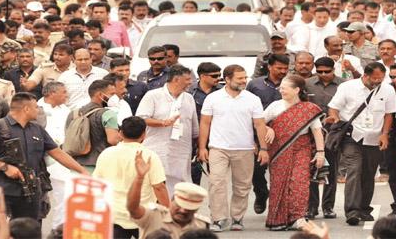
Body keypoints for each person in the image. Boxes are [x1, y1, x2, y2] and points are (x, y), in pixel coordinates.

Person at [0, 93, 88, 221]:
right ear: (26, 109)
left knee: (30, 230)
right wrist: (4, 167)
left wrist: (81, 171)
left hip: (30, 191)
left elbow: (58, 153)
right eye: (36, 107)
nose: (39, 110)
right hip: (2, 191)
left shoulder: (37, 129)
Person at [197, 64, 269, 232]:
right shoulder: (213, 98)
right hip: (218, 148)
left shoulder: (252, 99)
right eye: (240, 78)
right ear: (227, 79)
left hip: (244, 148)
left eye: (245, 78)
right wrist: (202, 148)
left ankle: (237, 218)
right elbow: (205, 123)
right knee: (216, 182)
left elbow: (259, 124)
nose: (244, 81)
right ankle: (219, 218)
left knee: (242, 185)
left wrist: (264, 149)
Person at [328, 62, 395, 225]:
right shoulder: (347, 87)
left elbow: (389, 114)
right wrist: (335, 119)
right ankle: (352, 211)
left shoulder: (388, 89)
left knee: (368, 173)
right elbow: (333, 107)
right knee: (354, 170)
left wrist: (385, 135)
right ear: (365, 75)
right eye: (374, 79)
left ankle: (364, 209)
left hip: (374, 138)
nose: (378, 82)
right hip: (352, 136)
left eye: (381, 78)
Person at [263, 74, 325, 230]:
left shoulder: (308, 108)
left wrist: (320, 152)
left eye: (285, 87)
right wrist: (268, 128)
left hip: (302, 148)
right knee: (279, 183)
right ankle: (278, 219)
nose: (281, 90)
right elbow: (258, 123)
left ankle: (297, 217)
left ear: (297, 90)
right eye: (281, 87)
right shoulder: (275, 106)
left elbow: (317, 131)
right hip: (279, 149)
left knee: (299, 182)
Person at [94, 117, 170, 238]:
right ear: (144, 135)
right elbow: (159, 187)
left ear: (120, 133)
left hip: (114, 215)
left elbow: (97, 185)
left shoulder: (106, 153)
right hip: (142, 216)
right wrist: (168, 212)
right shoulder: (150, 156)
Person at [136, 64, 198, 195]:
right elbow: (141, 119)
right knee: (157, 181)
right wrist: (163, 123)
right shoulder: (153, 95)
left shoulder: (189, 98)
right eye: (187, 79)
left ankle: (177, 213)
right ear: (176, 79)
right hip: (157, 147)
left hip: (181, 149)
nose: (191, 82)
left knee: (181, 184)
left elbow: (194, 126)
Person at [246, 53, 289, 213]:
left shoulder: (291, 83)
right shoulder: (255, 84)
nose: (283, 71)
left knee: (282, 171)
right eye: (279, 68)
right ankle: (261, 193)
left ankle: (280, 205)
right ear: (269, 67)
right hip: (259, 132)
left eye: (285, 68)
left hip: (285, 133)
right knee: (256, 169)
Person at [305, 57, 342, 219]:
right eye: (319, 72)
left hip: (334, 133)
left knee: (331, 170)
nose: (323, 74)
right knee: (312, 169)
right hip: (311, 133)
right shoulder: (307, 84)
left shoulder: (343, 85)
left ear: (333, 70)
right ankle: (311, 207)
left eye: (326, 72)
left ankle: (328, 207)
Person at [128, 173, 209, 239]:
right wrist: (139, 178)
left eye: (188, 209)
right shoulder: (154, 215)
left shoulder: (201, 225)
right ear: (172, 201)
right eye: (179, 206)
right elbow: (133, 209)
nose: (182, 210)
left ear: (196, 209)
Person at [36, 81, 71, 236]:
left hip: (60, 159)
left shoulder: (67, 110)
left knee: (62, 198)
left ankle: (57, 232)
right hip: (38, 160)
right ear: (51, 94)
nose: (66, 95)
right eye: (63, 92)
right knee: (38, 202)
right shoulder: (36, 109)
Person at [65, 79, 121, 172]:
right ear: (100, 95)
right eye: (111, 94)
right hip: (100, 166)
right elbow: (113, 140)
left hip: (76, 166)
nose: (114, 97)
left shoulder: (74, 113)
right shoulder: (108, 114)